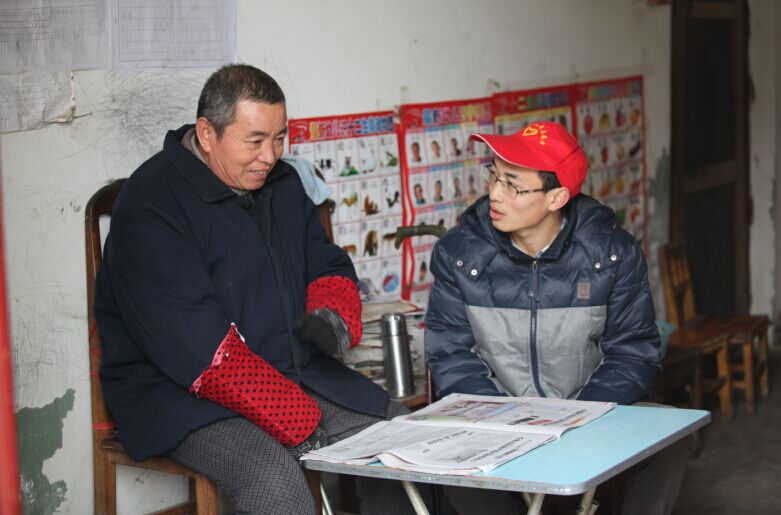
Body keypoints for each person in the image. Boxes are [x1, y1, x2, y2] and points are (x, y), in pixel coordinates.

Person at [94, 64, 418, 515]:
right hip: (180, 396)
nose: (270, 155)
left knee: (404, 443)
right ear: (207, 134)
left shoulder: (281, 182)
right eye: (255, 141)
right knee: (274, 480)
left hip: (292, 369)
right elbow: (193, 348)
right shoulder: (152, 206)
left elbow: (325, 260)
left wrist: (331, 313)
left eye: (280, 137)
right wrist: (296, 418)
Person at [425, 121, 686, 515]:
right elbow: (450, 354)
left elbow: (633, 352)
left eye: (513, 184)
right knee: (447, 454)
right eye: (493, 175)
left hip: (590, 414)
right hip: (496, 420)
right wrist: (504, 421)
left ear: (557, 197)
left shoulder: (612, 254)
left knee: (671, 433)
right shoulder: (459, 254)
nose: (494, 193)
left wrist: (579, 419)